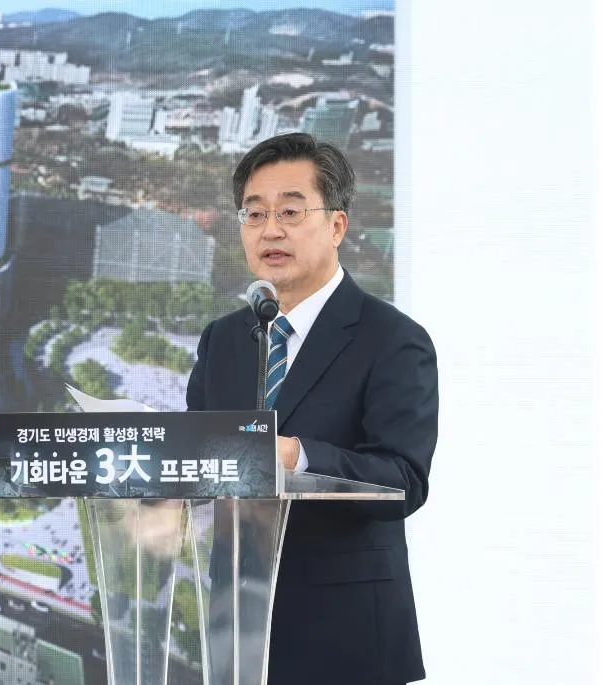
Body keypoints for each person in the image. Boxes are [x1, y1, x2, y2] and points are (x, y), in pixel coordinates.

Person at [186, 132, 439, 685]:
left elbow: (404, 481)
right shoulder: (224, 339)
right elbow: (199, 463)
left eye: (290, 211)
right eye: (254, 214)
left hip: (346, 636)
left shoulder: (393, 339)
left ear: (337, 226)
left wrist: (296, 455)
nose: (270, 230)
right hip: (237, 630)